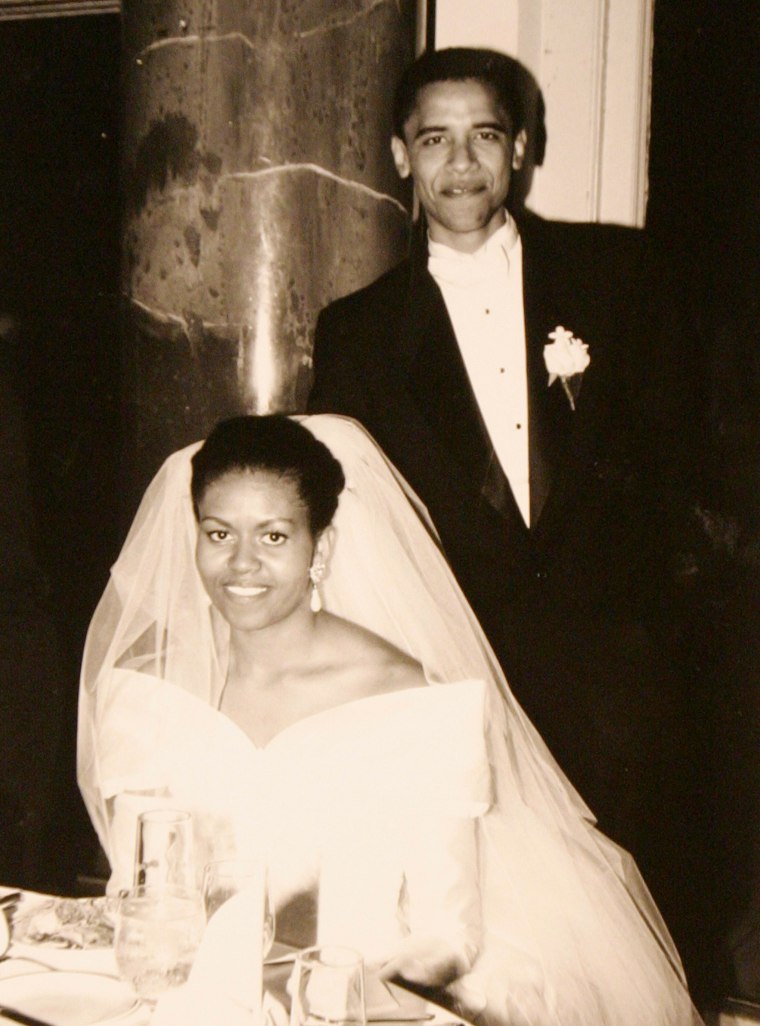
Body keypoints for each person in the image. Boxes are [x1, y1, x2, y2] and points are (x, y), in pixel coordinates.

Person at [78, 413, 701, 1025]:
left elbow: (449, 934)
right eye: (219, 534)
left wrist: (315, 999)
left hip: (358, 1006)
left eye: (273, 537)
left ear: (320, 547)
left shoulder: (407, 700)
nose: (241, 564)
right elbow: (140, 893)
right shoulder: (151, 692)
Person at [308, 46, 703, 946]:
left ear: (519, 147)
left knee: (642, 935)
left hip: (623, 683)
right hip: (463, 682)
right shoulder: (358, 333)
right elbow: (351, 519)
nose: (460, 163)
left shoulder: (621, 277)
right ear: (400, 156)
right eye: (434, 140)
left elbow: (682, 462)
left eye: (483, 135)